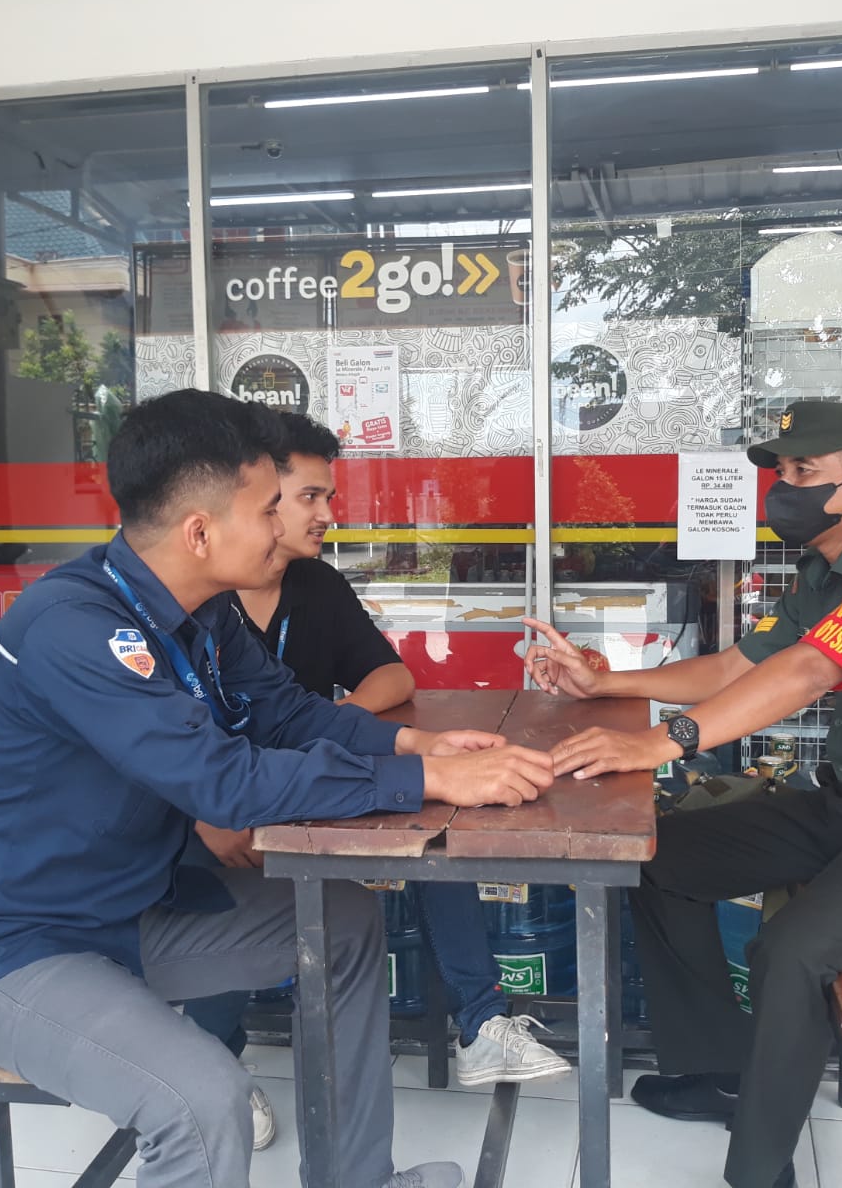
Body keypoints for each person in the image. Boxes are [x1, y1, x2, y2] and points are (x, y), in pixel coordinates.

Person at [0, 388, 555, 1188]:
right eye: (268, 509)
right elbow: (223, 781)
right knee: (201, 1102)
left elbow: (286, 711)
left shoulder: (204, 613)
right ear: (199, 531)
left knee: (343, 921)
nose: (284, 526)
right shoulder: (73, 626)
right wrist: (426, 778)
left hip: (128, 911)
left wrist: (413, 742)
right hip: (9, 945)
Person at [520, 400, 842, 1188]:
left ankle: (759, 1170)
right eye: (780, 471)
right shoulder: (821, 575)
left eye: (803, 471)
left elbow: (813, 670)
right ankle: (723, 1072)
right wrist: (604, 684)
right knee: (658, 861)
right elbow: (733, 668)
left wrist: (662, 741)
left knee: (792, 953)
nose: (783, 487)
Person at [181, 414, 570, 1119]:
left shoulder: (311, 588)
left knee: (431, 822)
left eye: (325, 498)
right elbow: (158, 750)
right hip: (216, 806)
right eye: (303, 499)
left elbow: (370, 684)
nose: (326, 516)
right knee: (225, 877)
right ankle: (212, 1067)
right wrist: (214, 808)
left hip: (297, 783)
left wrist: (392, 742)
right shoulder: (186, 607)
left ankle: (479, 1022)